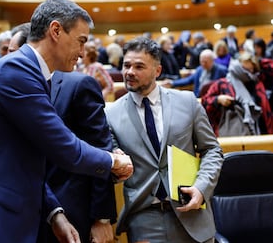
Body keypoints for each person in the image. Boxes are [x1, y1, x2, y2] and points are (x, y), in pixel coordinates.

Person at [0, 0, 133, 243]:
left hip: (4, 216)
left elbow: (27, 157)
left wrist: (54, 214)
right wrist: (113, 160)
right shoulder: (16, 70)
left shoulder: (33, 73)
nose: (82, 52)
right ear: (56, 30)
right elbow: (63, 146)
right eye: (80, 41)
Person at [105, 36, 223, 243]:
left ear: (157, 71)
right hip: (144, 218)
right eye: (126, 65)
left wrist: (201, 188)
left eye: (139, 66)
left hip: (191, 212)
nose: (130, 72)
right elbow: (111, 167)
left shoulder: (188, 102)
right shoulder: (110, 114)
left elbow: (211, 150)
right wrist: (115, 164)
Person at [41, 70, 117, 243]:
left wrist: (102, 218)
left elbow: (100, 148)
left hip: (71, 208)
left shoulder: (79, 84)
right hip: (24, 209)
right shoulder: (16, 87)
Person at [202, 52, 273, 136]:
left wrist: (255, 59)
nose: (248, 72)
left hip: (260, 131)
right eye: (244, 69)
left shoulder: (257, 82)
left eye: (251, 69)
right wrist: (218, 99)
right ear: (237, 67)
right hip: (231, 133)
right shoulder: (222, 84)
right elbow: (204, 103)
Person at [163, 49, 228, 97]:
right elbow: (188, 80)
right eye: (201, 62)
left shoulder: (222, 70)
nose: (203, 64)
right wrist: (172, 83)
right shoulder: (199, 69)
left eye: (205, 62)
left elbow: (226, 88)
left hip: (213, 100)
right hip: (198, 98)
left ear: (212, 60)